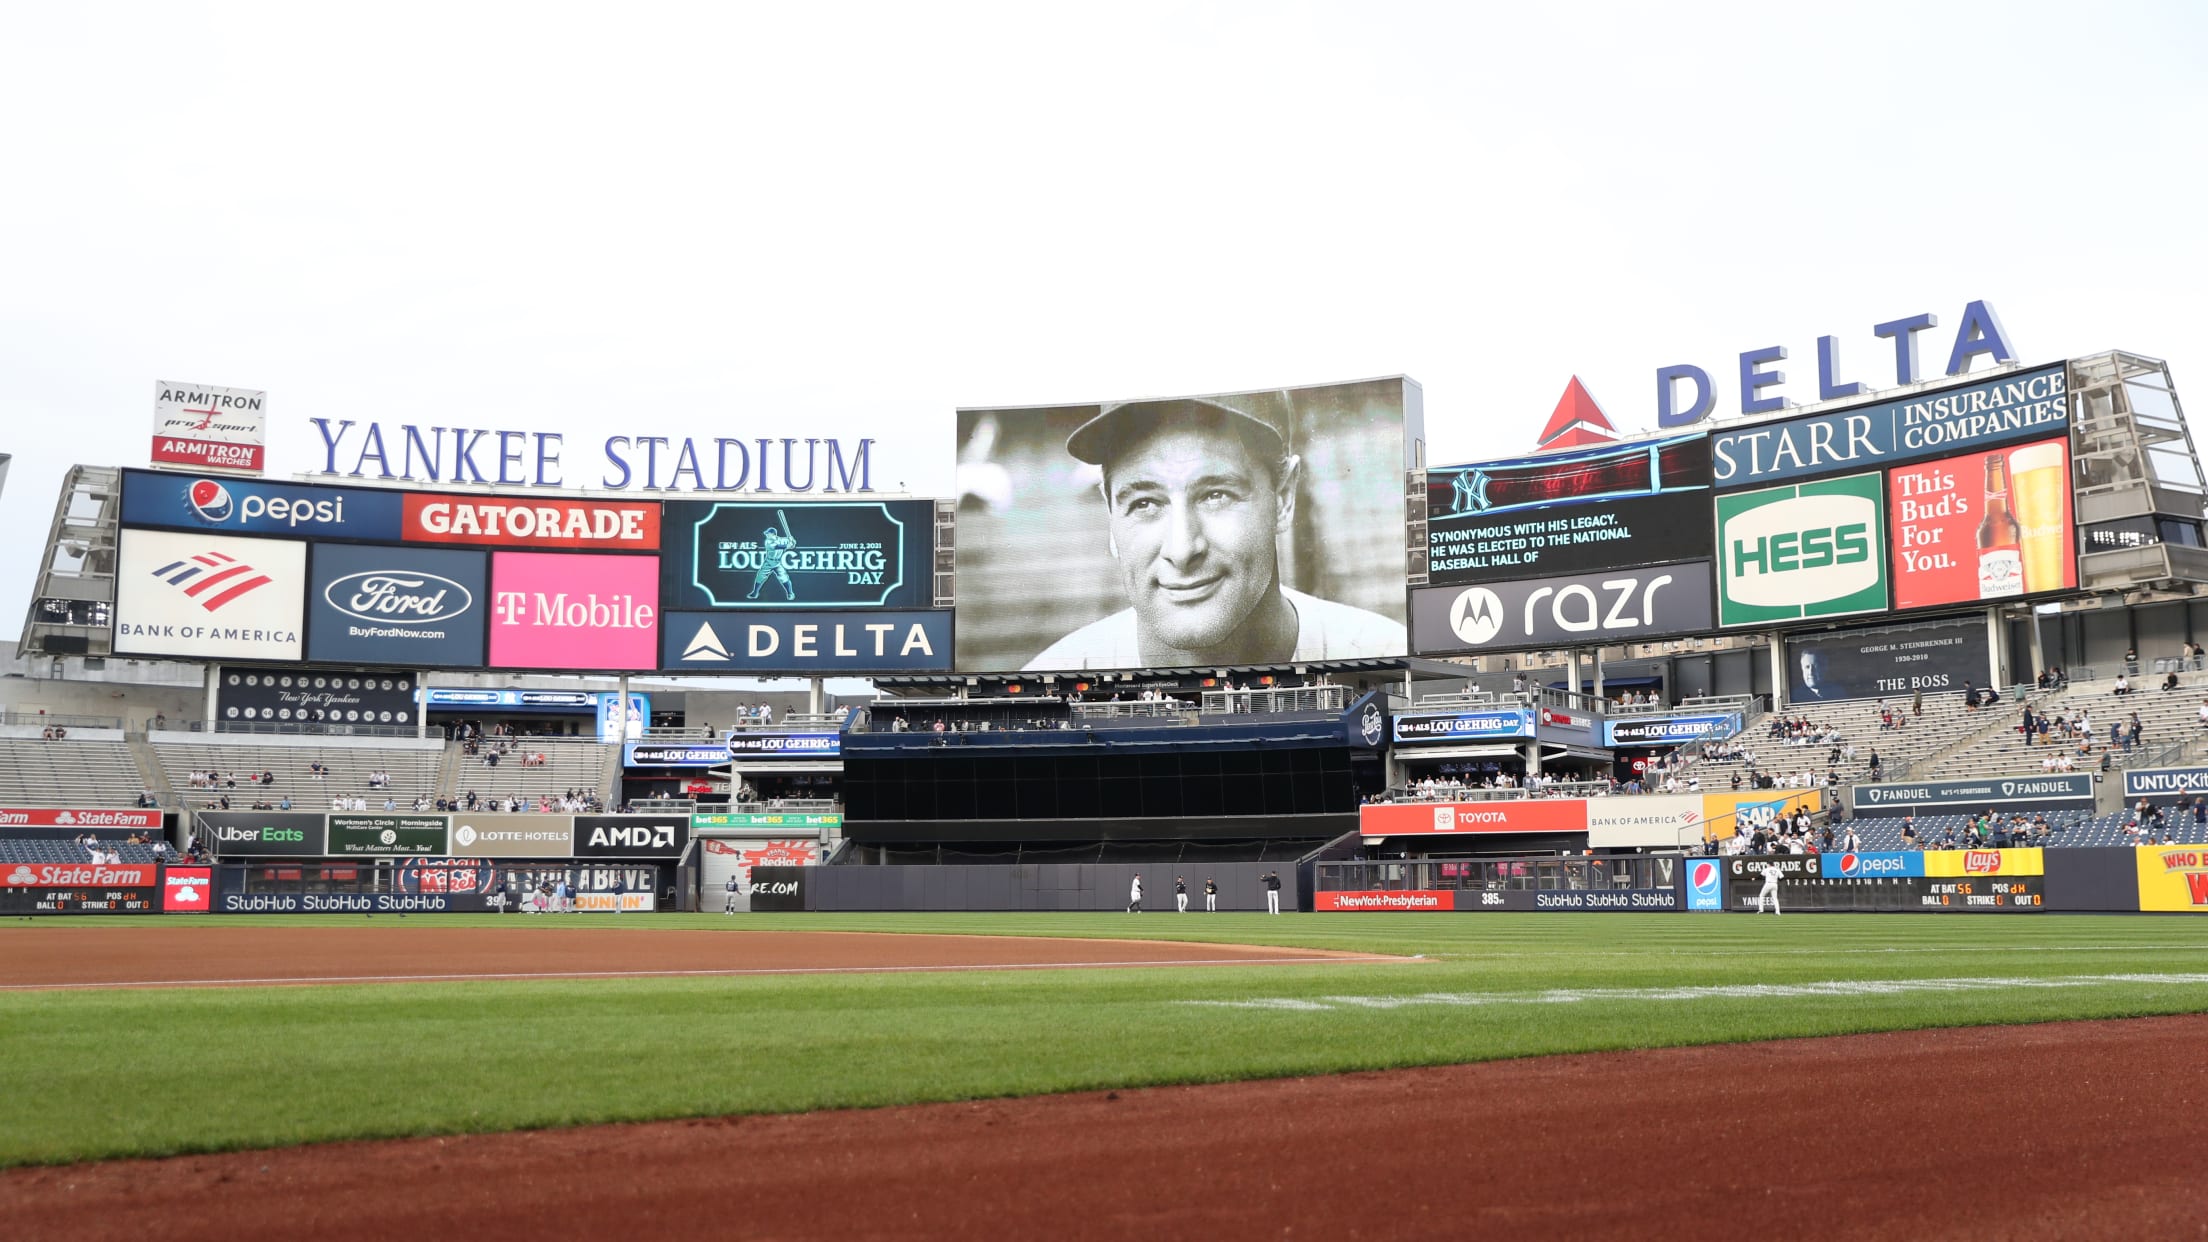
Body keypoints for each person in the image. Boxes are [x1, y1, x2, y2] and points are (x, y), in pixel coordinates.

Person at [1024, 392, 1405, 669]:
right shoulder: (1048, 680)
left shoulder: (1388, 660)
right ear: (1110, 514)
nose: (1182, 548)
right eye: (1144, 503)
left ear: (1284, 497)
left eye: (1215, 494)